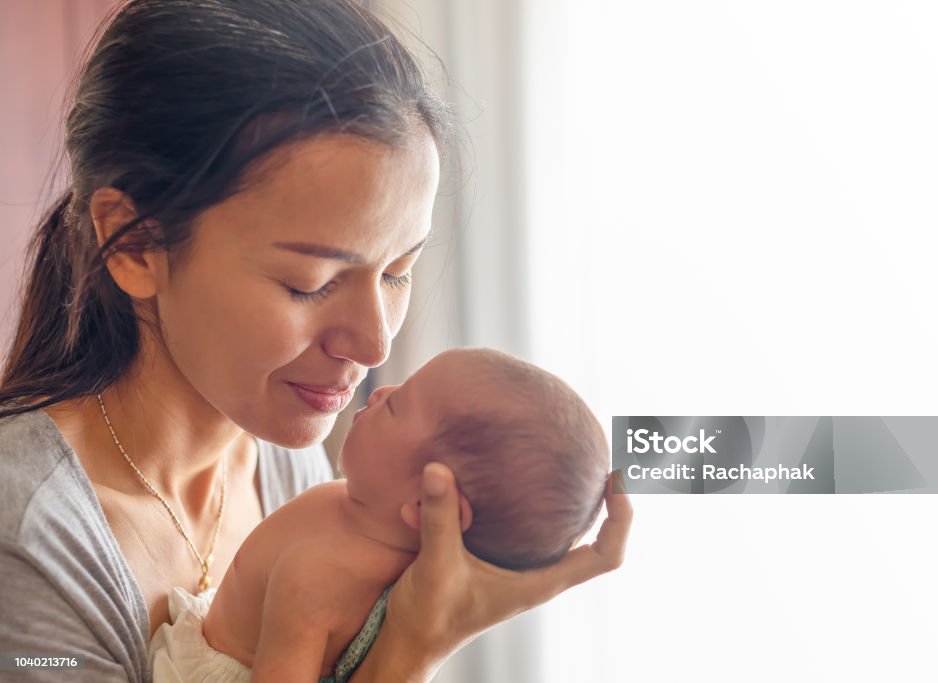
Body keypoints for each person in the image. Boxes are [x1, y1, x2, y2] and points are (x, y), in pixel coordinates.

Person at [0, 1, 631, 682]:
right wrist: (413, 647)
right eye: (309, 283)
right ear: (138, 243)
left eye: (398, 272)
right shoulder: (29, 539)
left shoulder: (287, 462)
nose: (373, 344)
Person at [149, 347, 610, 682]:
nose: (379, 390)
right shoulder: (373, 522)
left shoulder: (318, 576)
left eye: (395, 404)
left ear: (431, 503)